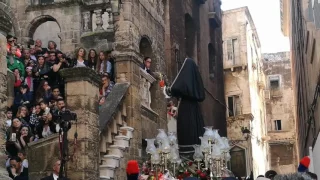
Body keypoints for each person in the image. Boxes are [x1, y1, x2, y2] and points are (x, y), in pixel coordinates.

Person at [162, 58, 205, 153]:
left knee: (186, 130)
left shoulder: (185, 88)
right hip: (194, 110)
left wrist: (167, 89)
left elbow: (176, 87)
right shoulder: (194, 85)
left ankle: (187, 154)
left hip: (186, 109)